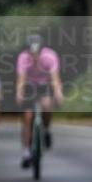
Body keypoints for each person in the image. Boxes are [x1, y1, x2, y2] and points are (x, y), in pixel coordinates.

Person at [16, 34, 64, 167]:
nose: (34, 55)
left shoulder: (50, 56)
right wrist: (19, 93)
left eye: (37, 52)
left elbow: (55, 78)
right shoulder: (23, 57)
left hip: (44, 85)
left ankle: (46, 130)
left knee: (47, 105)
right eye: (32, 52)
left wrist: (58, 93)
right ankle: (26, 151)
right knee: (28, 117)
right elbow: (21, 78)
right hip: (29, 87)